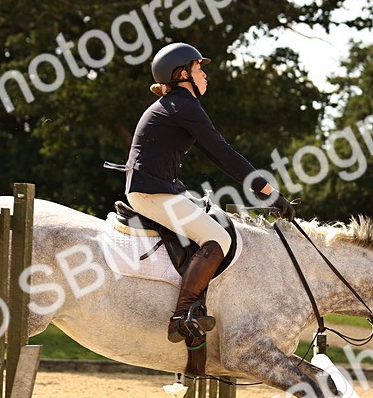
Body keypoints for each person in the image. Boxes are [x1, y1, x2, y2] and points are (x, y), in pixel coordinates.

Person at [113, 43, 295, 365]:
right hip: (152, 193)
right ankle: (182, 314)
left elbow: (219, 157)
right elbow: (226, 156)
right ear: (183, 75)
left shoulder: (176, 105)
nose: (205, 75)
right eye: (199, 69)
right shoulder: (184, 106)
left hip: (159, 189)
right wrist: (269, 192)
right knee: (218, 238)